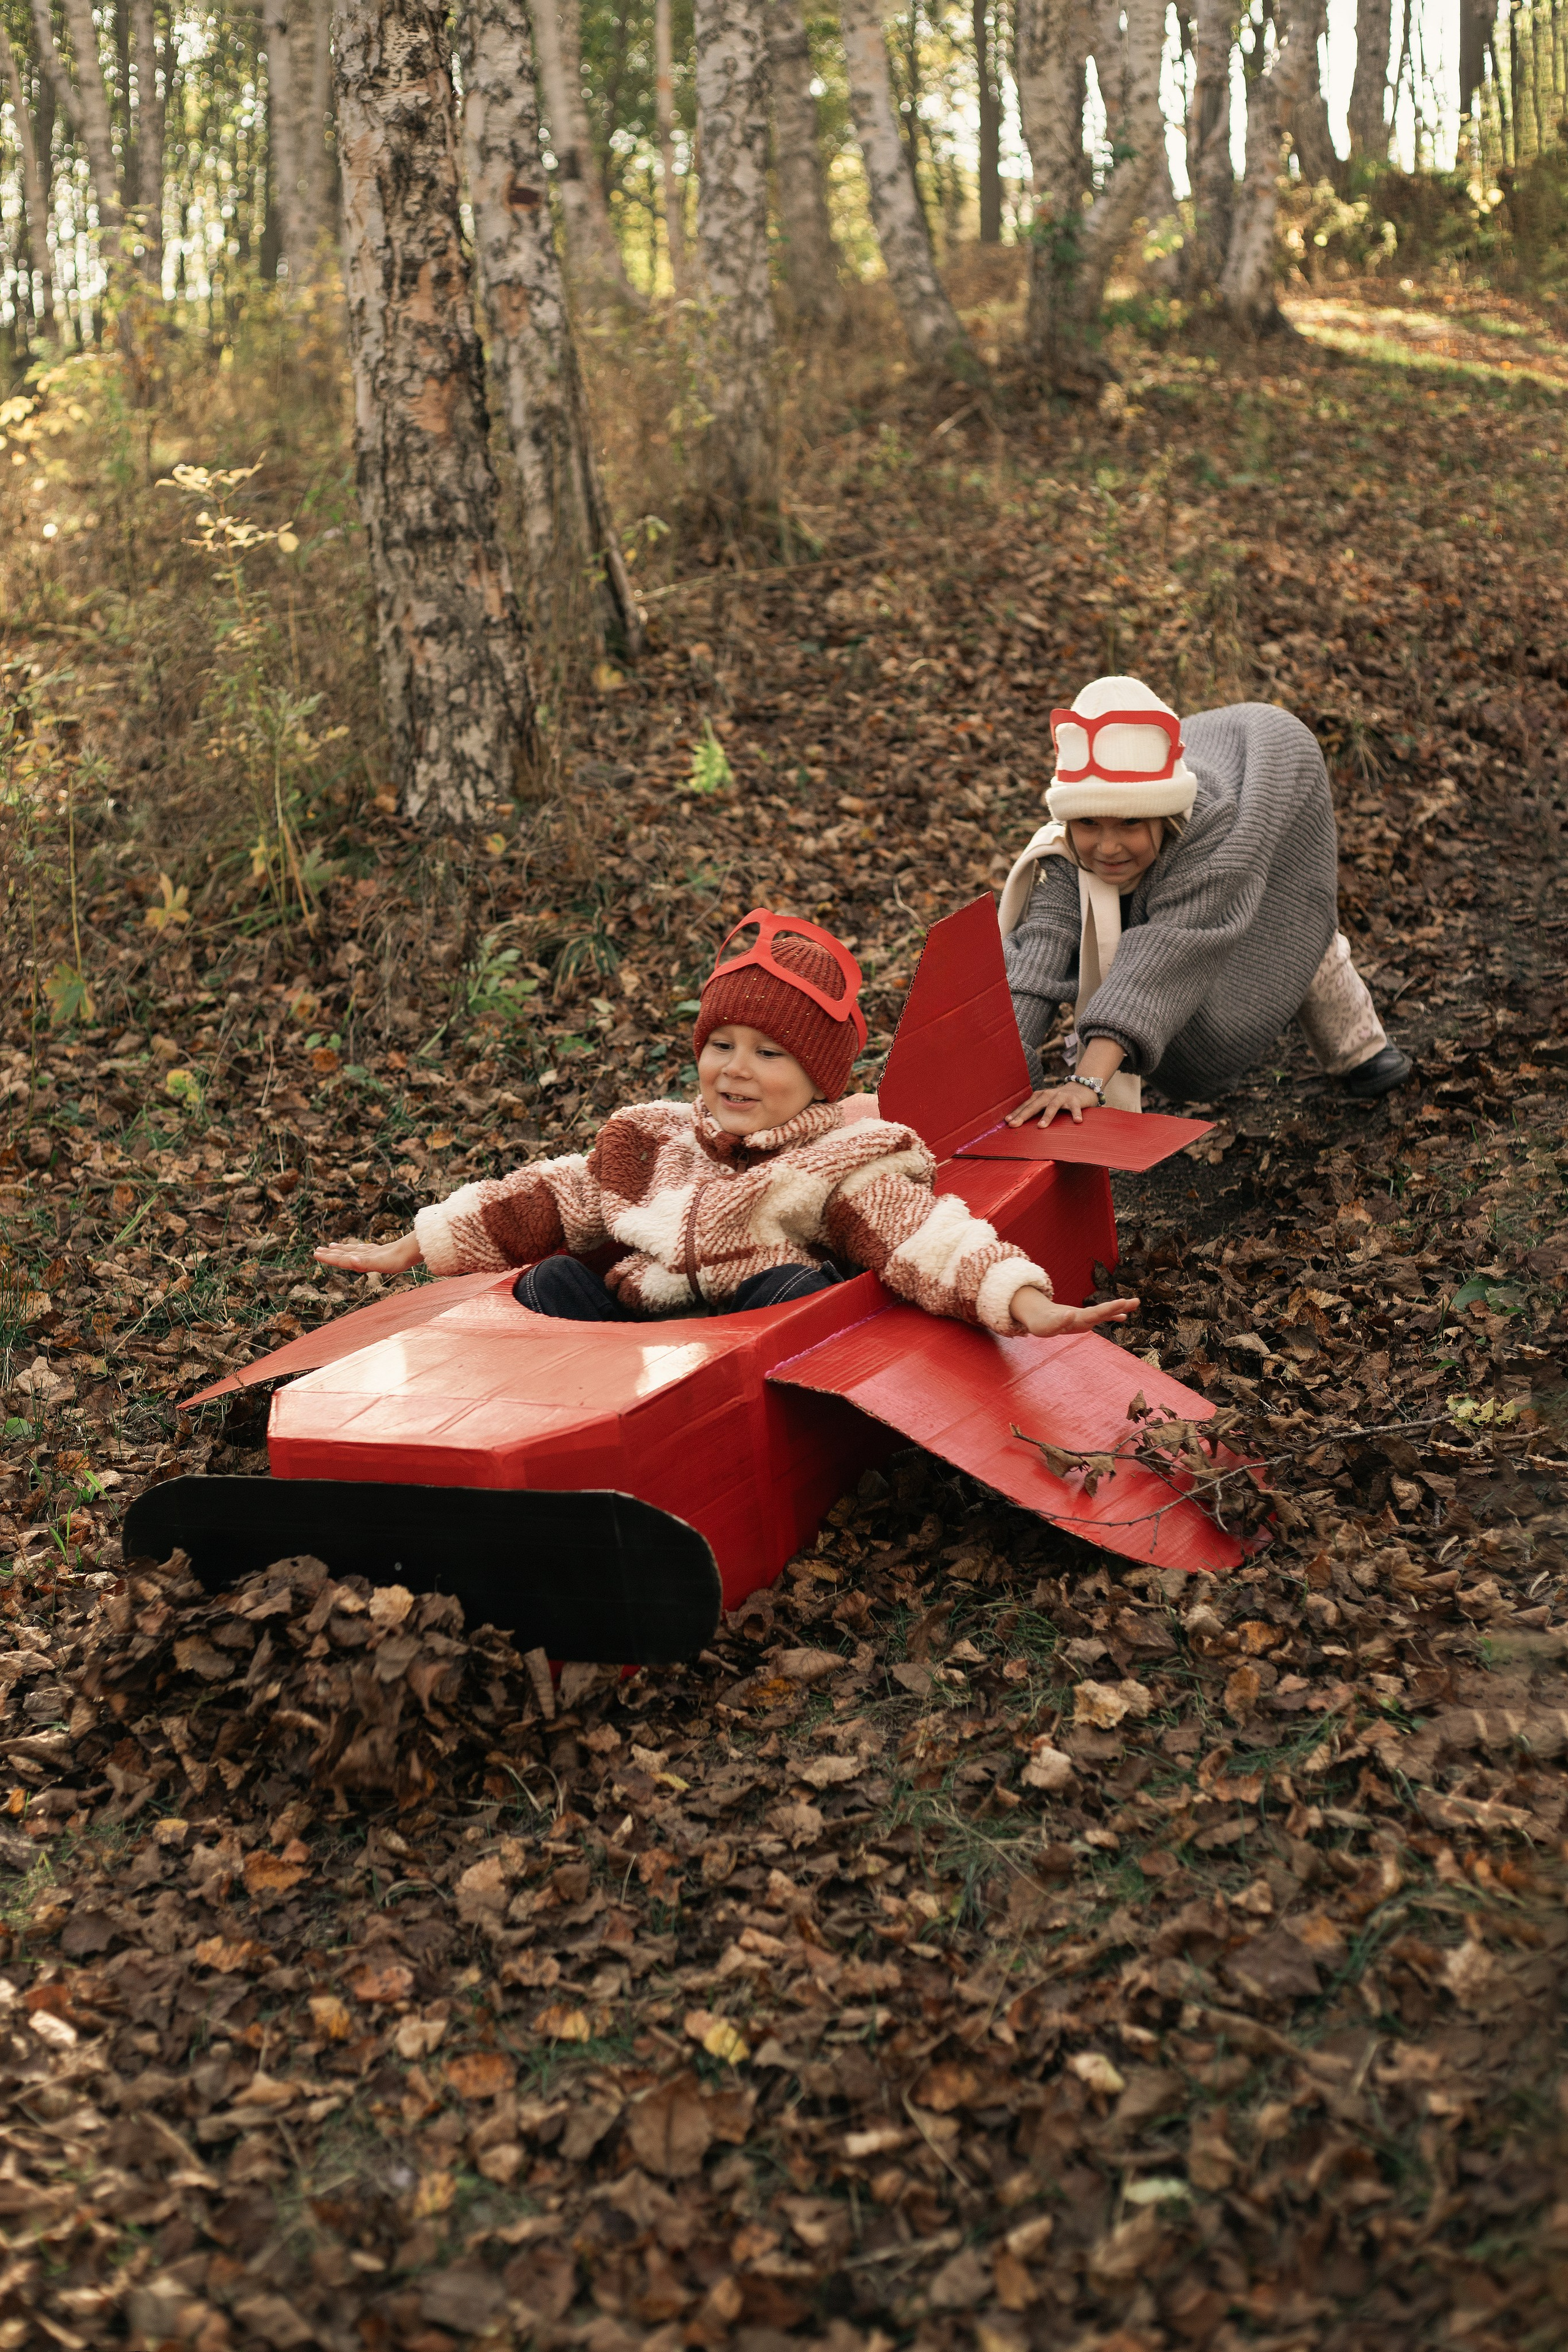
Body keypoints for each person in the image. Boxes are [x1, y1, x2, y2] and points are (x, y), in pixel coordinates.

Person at [317, 910, 1139, 1341]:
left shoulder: (843, 1161)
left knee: (778, 1285)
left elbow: (926, 1236)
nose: (736, 1070)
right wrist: (416, 1244)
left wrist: (1023, 1301)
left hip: (760, 1337)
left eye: (770, 1054)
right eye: (721, 1045)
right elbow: (545, 1198)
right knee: (553, 1282)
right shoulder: (652, 1139)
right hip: (641, 1341)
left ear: (819, 1077)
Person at [998, 676, 1411, 1129]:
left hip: (1273, 774)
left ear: (1164, 814)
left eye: (1131, 823)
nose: (1108, 846)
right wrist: (1001, 1065)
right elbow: (1040, 953)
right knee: (1108, 937)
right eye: (1090, 823)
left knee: (1295, 933)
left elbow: (1168, 951)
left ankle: (1360, 1048)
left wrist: (1088, 1081)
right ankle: (1109, 1043)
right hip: (1197, 760)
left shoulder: (1217, 831)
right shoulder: (1065, 852)